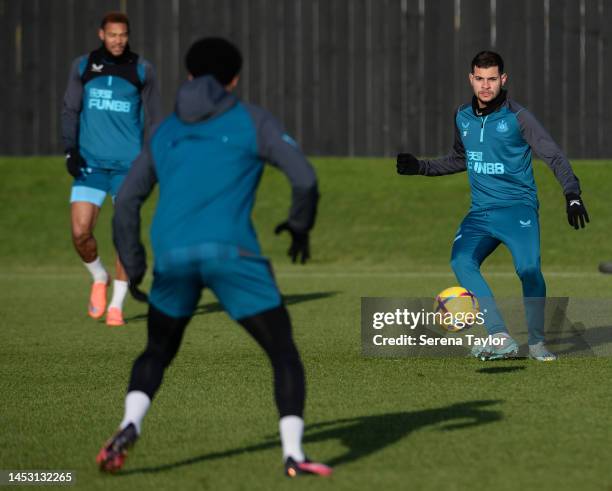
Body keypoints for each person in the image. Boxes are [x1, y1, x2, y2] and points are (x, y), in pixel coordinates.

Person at [95, 37, 332, 478]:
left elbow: (126, 200)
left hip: (173, 257)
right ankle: (293, 455)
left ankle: (130, 424)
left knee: (157, 350)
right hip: (232, 255)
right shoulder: (252, 120)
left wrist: (135, 263)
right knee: (282, 352)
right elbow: (304, 177)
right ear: (234, 78)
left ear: (187, 75)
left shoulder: (164, 130)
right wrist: (299, 225)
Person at [396, 51, 589, 361]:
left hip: (518, 210)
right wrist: (420, 167)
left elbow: (552, 155)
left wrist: (572, 193)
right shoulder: (462, 116)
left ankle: (538, 342)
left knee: (528, 269)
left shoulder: (518, 117)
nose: (485, 86)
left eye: (492, 79)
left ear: (503, 79)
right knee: (461, 262)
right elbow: (460, 158)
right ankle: (498, 335)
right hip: (481, 214)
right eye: (480, 79)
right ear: (471, 79)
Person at [61, 11, 161, 327]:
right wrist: (69, 149)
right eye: (112, 34)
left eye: (123, 35)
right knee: (80, 232)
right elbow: (70, 109)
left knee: (123, 235)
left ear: (127, 36)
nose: (118, 40)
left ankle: (116, 306)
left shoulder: (143, 70)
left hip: (128, 168)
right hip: (90, 164)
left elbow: (156, 119)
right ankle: (98, 276)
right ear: (101, 34)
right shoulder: (82, 66)